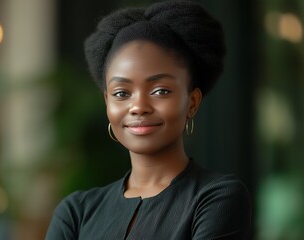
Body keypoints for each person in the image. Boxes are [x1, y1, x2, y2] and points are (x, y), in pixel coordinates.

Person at [45, 0, 252, 239]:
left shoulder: (216, 199)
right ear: (107, 103)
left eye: (160, 91)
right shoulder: (76, 212)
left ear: (192, 102)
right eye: (121, 93)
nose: (138, 107)